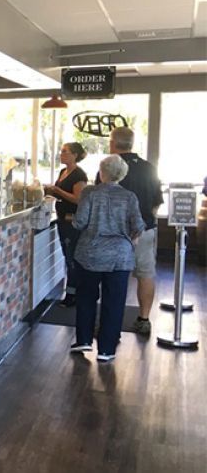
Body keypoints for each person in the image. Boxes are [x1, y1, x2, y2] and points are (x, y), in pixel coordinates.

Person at [71, 155, 145, 363]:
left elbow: (79, 222)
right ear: (122, 174)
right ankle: (106, 349)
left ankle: (84, 339)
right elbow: (138, 227)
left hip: (90, 254)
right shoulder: (130, 196)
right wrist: (129, 243)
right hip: (120, 257)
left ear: (102, 172)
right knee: (114, 302)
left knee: (86, 297)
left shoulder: (90, 193)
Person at [97, 127, 163, 335]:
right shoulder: (149, 168)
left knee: (113, 277)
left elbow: (100, 200)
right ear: (132, 143)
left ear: (113, 142)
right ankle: (144, 320)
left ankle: (109, 324)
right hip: (144, 231)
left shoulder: (108, 167)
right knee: (146, 274)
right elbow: (156, 203)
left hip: (115, 233)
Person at [44, 142, 88, 307]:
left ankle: (73, 294)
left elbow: (79, 199)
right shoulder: (63, 171)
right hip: (63, 219)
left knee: (72, 257)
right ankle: (73, 291)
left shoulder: (79, 175)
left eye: (65, 152)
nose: (61, 154)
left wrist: (57, 190)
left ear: (75, 155)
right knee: (67, 256)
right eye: (61, 151)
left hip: (72, 221)